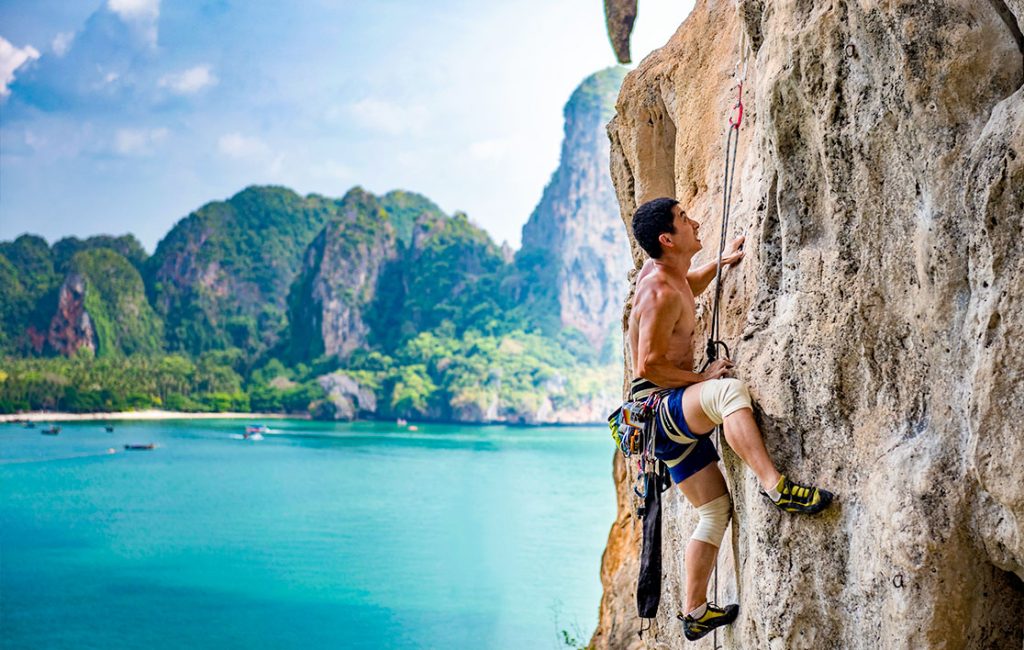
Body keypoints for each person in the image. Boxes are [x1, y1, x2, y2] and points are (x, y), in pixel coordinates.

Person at [627, 197, 833, 641]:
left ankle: (694, 611)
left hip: (655, 423)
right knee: (727, 393)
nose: (695, 221)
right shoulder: (659, 290)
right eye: (684, 220)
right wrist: (700, 377)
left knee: (715, 508)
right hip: (660, 410)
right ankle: (777, 486)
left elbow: (687, 290)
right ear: (667, 238)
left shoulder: (667, 275)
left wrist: (718, 265)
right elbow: (647, 365)